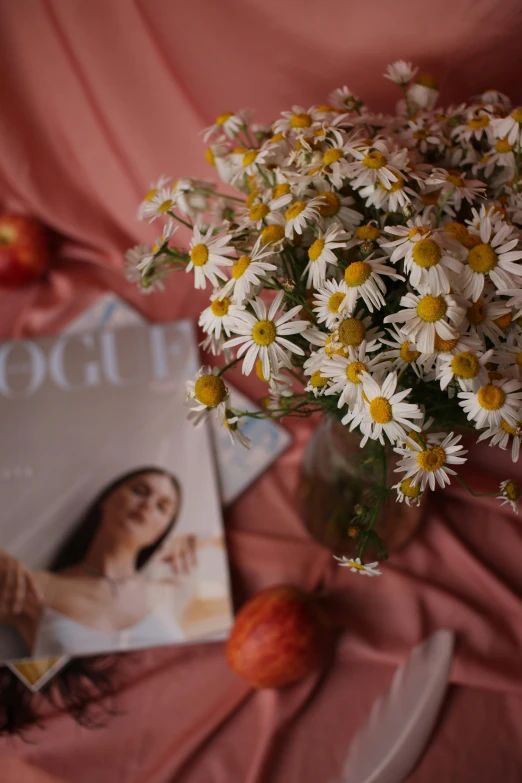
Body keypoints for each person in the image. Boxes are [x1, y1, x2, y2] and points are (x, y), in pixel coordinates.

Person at [0, 467, 197, 658]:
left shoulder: (170, 594)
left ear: (162, 533)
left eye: (162, 507)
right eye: (139, 491)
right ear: (106, 501)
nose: (147, 504)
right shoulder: (37, 587)